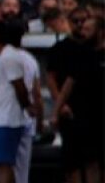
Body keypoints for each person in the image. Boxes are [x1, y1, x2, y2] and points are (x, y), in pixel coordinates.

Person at [0, 23, 43, 183]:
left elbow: (20, 86)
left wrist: (28, 107)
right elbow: (37, 93)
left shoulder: (3, 57)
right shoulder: (29, 59)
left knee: (2, 166)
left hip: (6, 119)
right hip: (17, 122)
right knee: (16, 168)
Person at [51, 13, 103, 183]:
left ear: (100, 32)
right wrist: (57, 110)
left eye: (88, 29)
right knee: (75, 163)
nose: (83, 32)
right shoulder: (82, 54)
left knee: (94, 163)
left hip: (99, 116)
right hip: (78, 115)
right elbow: (68, 84)